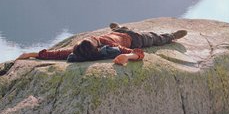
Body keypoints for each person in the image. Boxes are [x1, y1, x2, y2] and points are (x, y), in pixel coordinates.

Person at [16, 23, 187, 66]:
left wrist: (30, 54)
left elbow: (55, 54)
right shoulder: (108, 49)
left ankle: (171, 36)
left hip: (126, 35)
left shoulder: (85, 49)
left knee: (151, 37)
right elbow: (139, 53)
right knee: (151, 38)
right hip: (132, 38)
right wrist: (126, 56)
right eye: (92, 39)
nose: (92, 37)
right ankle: (171, 36)